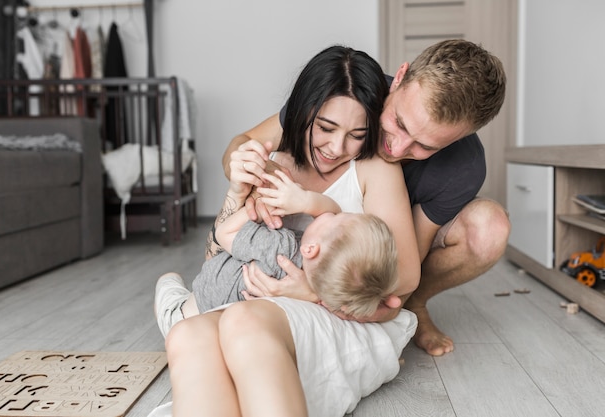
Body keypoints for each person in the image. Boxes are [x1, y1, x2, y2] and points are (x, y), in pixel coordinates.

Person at [152, 45, 421, 417]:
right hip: (254, 304)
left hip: (338, 315)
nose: (335, 147)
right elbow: (216, 257)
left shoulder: (374, 169)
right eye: (325, 128)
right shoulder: (275, 161)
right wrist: (239, 180)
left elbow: (401, 285)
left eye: (356, 134)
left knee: (242, 322)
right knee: (188, 334)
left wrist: (313, 292)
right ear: (301, 113)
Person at [222, 39, 510, 356]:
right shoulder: (349, 94)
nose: (397, 149)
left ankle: (416, 306)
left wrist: (326, 294)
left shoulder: (463, 167)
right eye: (399, 123)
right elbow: (245, 142)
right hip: (332, 225)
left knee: (488, 230)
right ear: (399, 79)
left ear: (460, 137)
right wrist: (261, 172)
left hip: (394, 235)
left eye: (425, 147)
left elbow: (403, 270)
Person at [155, 163, 400, 337]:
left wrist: (263, 208)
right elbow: (331, 210)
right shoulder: (324, 285)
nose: (331, 213)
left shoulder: (280, 249)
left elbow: (223, 233)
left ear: (311, 249)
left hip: (190, 312)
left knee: (168, 283)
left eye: (337, 219)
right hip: (222, 321)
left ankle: (169, 283)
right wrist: (307, 201)